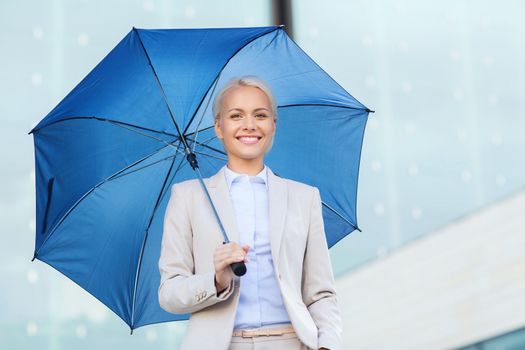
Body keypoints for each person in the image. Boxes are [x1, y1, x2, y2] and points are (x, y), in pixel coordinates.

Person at [158, 76, 342, 350]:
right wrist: (216, 280)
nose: (249, 125)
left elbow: (321, 294)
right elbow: (169, 293)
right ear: (219, 126)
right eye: (236, 115)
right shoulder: (188, 197)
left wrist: (328, 344)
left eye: (260, 115)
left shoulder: (305, 198)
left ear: (273, 125)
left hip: (292, 342)